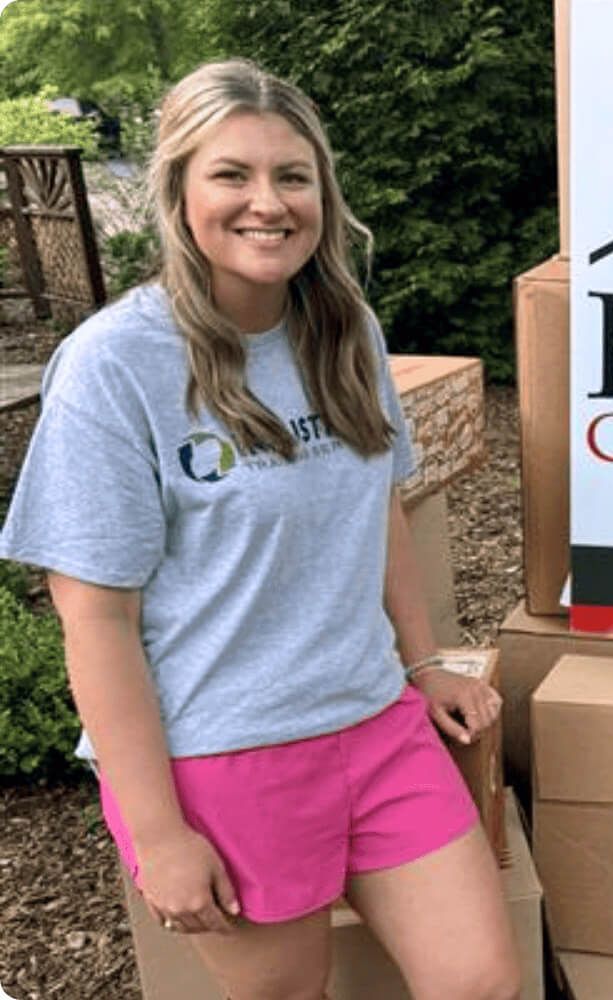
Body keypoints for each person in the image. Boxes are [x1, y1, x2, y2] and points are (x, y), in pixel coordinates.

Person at [0, 60, 520, 1000]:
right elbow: (95, 618)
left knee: (478, 980)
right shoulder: (116, 367)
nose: (267, 203)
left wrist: (424, 662)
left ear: (323, 192)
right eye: (231, 175)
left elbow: (381, 513)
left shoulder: (343, 328)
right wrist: (158, 834)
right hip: (225, 754)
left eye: (293, 176)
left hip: (375, 727)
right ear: (178, 194)